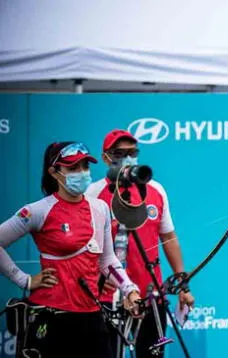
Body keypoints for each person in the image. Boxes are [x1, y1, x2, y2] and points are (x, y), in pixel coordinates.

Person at [0, 141, 141, 358]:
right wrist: (24, 280)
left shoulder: (100, 208)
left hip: (92, 317)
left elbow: (107, 260)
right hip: (52, 319)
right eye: (73, 168)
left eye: (85, 167)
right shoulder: (37, 211)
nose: (82, 173)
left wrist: (129, 289)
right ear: (55, 172)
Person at [86, 129, 195, 358]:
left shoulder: (154, 190)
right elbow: (84, 247)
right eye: (120, 153)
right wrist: (95, 276)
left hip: (150, 294)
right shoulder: (92, 193)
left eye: (133, 152)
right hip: (108, 296)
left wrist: (183, 284)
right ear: (106, 157)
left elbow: (168, 237)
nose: (128, 158)